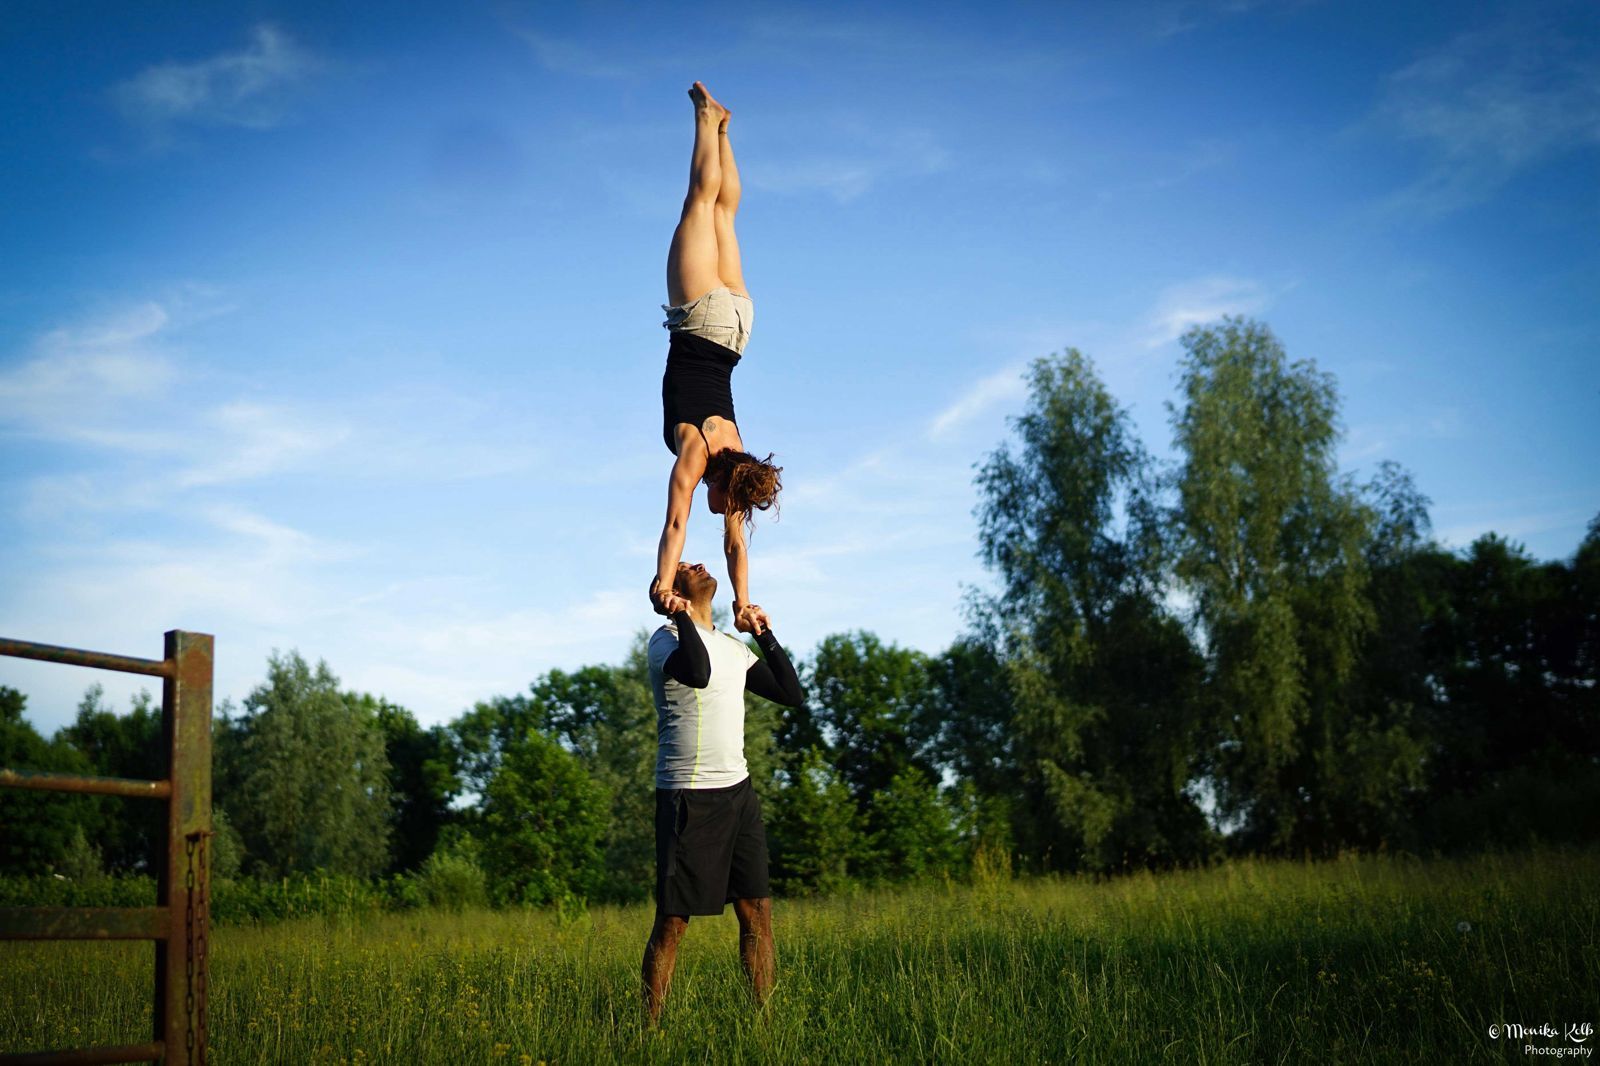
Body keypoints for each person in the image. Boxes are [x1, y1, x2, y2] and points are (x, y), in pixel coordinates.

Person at [641, 560, 804, 1026]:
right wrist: (677, 615)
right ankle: (648, 1031)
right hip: (687, 798)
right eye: (686, 565)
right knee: (673, 922)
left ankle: (765, 1023)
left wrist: (762, 633)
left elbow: (792, 694)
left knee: (757, 912)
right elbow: (696, 672)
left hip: (738, 795)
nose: (699, 563)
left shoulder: (734, 649)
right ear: (672, 589)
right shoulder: (664, 641)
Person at [651, 81, 783, 636]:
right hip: (702, 318)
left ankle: (725, 128)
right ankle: (707, 119)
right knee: (699, 204)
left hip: (737, 331)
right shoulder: (701, 456)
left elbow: (734, 546)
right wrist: (661, 582)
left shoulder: (734, 455)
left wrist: (741, 603)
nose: (727, 514)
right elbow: (677, 517)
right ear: (731, 488)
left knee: (725, 216)